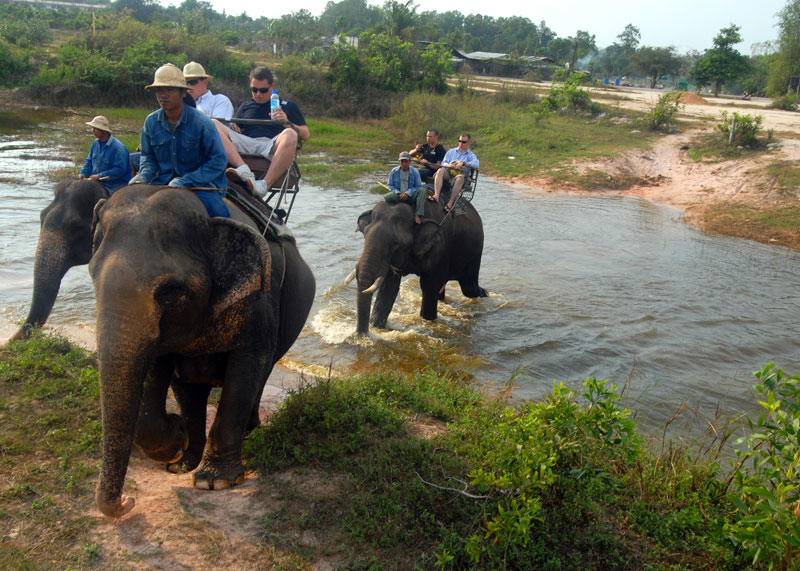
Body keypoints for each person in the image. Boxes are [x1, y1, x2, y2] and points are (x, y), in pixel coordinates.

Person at [129, 63, 229, 218]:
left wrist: (186, 181)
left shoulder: (202, 123)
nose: (163, 95)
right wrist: (142, 177)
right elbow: (148, 157)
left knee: (219, 216)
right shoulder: (150, 122)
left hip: (200, 185)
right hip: (163, 182)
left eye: (169, 90)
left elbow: (218, 161)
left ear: (183, 93)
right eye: (159, 90)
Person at [214, 66, 309, 198]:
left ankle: (265, 184)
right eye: (254, 90)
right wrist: (234, 129)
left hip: (271, 145)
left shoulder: (288, 105)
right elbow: (236, 130)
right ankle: (242, 168)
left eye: (263, 90)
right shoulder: (245, 106)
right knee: (213, 123)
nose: (258, 94)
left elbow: (306, 135)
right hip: (246, 144)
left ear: (272, 86)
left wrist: (287, 122)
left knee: (291, 134)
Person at [78, 115, 131, 194]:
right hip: (97, 184)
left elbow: (120, 170)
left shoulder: (118, 148)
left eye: (95, 129)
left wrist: (99, 176)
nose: (93, 131)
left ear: (103, 131)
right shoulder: (95, 143)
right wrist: (83, 174)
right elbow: (89, 161)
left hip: (114, 186)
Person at [430, 133, 479, 212]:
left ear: (468, 143)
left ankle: (450, 203)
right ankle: (436, 195)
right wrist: (449, 165)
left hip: (461, 174)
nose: (461, 143)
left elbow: (476, 164)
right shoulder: (451, 152)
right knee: (440, 170)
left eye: (464, 142)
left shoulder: (470, 155)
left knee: (459, 179)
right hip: (449, 172)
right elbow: (443, 163)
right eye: (460, 141)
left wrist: (464, 163)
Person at [385, 151, 425, 224]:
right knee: (387, 197)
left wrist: (407, 193)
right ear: (399, 161)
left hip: (411, 196)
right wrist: (398, 192)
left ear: (409, 162)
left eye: (406, 161)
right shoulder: (394, 171)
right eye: (402, 161)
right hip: (399, 195)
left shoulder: (415, 171)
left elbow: (418, 186)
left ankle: (418, 214)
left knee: (422, 191)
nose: (404, 163)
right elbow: (390, 185)